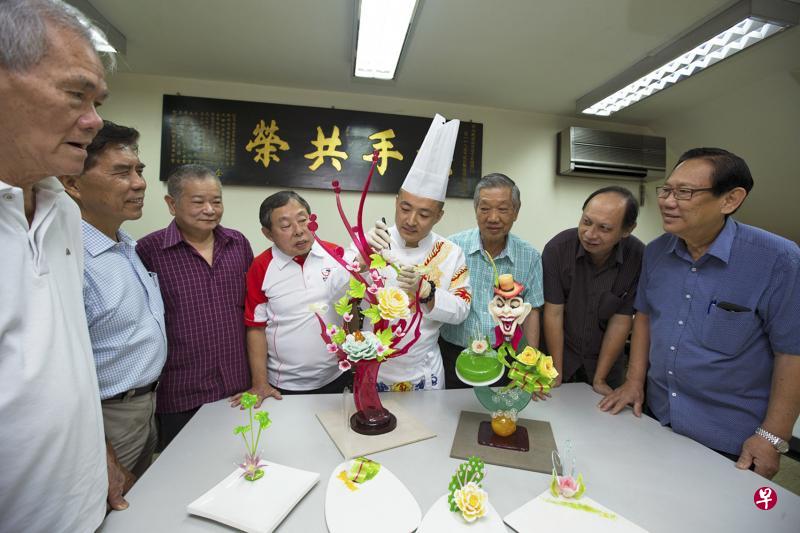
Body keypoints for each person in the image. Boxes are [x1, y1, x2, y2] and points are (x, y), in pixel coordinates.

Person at [599, 148, 800, 479]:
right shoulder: (656, 252)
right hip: (656, 417)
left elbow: (791, 353)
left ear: (730, 200)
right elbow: (645, 317)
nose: (668, 201)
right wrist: (634, 381)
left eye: (685, 192)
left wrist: (772, 437)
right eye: (667, 189)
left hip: (731, 439)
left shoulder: (778, 259)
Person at [0, 0, 114, 529]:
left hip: (83, 509)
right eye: (75, 95)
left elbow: (64, 363)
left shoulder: (63, 210)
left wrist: (101, 462)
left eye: (97, 101)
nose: (94, 121)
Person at [61, 121, 167, 481]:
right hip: (106, 419)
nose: (139, 183)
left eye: (139, 170)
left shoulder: (128, 246)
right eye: (121, 172)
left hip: (146, 406)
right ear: (72, 183)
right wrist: (104, 451)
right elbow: (64, 376)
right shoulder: (71, 260)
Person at [137, 164, 254, 448]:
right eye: (198, 202)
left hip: (238, 390)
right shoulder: (149, 250)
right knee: (184, 478)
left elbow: (254, 313)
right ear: (171, 204)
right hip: (180, 393)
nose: (210, 209)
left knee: (243, 466)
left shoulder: (238, 243)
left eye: (216, 201)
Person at [366, 114, 471, 391]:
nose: (411, 220)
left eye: (424, 214)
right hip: (374, 366)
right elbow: (335, 292)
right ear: (396, 202)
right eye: (405, 208)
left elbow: (462, 309)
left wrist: (428, 292)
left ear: (439, 215)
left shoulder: (450, 253)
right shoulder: (372, 240)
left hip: (424, 370)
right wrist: (360, 260)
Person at [239, 190, 352, 405]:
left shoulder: (336, 255)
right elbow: (256, 328)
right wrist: (260, 383)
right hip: (285, 386)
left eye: (303, 220)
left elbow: (352, 308)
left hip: (337, 376)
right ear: (268, 233)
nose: (299, 231)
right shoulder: (261, 267)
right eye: (285, 226)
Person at [440, 173, 543, 389]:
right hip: (453, 353)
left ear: (516, 212)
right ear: (476, 210)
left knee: (501, 417)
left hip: (505, 357)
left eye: (503, 209)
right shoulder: (452, 248)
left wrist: (528, 363)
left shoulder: (530, 256)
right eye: (485, 208)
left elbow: (532, 310)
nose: (493, 217)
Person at [542, 186, 644, 394]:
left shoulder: (638, 256)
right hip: (560, 358)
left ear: (627, 230)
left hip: (606, 366)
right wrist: (556, 371)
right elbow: (554, 312)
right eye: (586, 222)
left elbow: (621, 320)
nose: (590, 234)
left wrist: (600, 378)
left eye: (604, 228)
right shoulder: (558, 249)